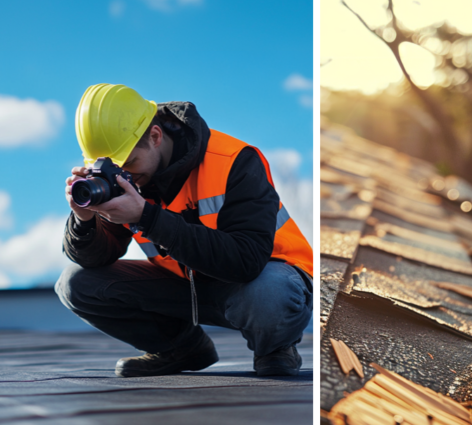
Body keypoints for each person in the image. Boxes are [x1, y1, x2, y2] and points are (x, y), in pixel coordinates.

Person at [55, 84, 313, 377]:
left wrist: (147, 217)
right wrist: (84, 220)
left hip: (261, 282)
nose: (126, 174)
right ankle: (181, 349)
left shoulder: (234, 161)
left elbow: (247, 261)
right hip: (185, 287)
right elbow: (94, 260)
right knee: (75, 283)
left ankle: (275, 348)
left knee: (269, 292)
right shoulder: (129, 180)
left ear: (155, 136)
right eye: (116, 168)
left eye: (129, 163)